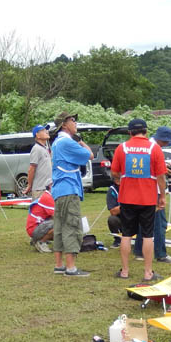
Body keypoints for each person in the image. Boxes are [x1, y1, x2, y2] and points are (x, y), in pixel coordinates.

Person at [110, 118, 167, 282]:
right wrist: (162, 196)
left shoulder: (122, 148)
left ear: (130, 132)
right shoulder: (154, 148)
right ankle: (148, 272)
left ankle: (125, 271)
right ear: (146, 131)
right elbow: (161, 176)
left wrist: (121, 180)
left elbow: (114, 172)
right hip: (147, 198)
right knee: (148, 235)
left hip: (127, 198)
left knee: (126, 234)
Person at [51, 112, 93, 277]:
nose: (75, 123)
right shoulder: (67, 142)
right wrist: (80, 141)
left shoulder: (57, 142)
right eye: (72, 121)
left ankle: (59, 264)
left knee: (60, 227)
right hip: (69, 189)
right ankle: (71, 267)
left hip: (59, 190)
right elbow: (89, 155)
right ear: (64, 125)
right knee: (72, 226)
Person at [133, 126, 171, 265]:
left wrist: (163, 167)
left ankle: (139, 252)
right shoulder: (155, 148)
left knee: (144, 222)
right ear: (163, 139)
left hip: (141, 190)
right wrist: (162, 194)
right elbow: (158, 174)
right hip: (153, 191)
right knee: (160, 224)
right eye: (167, 141)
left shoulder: (145, 147)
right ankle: (161, 254)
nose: (168, 143)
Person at [23, 124, 52, 198]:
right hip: (39, 189)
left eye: (46, 130)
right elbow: (31, 169)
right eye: (43, 130)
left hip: (48, 188)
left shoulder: (45, 148)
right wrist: (29, 185)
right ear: (37, 135)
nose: (46, 131)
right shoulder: (36, 148)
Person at [106, 181, 121, 248]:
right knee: (112, 219)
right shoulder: (112, 190)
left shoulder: (133, 187)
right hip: (122, 219)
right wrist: (126, 205)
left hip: (135, 218)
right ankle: (118, 240)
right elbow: (113, 211)